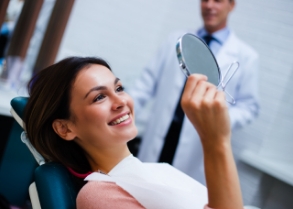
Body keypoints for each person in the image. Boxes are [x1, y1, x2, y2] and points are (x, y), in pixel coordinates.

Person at [24, 56, 243, 209]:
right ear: (65, 128)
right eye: (99, 97)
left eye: (119, 88)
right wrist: (216, 142)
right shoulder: (99, 196)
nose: (121, 101)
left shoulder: (159, 171)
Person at [128, 0, 260, 184]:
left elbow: (249, 107)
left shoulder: (246, 57)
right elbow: (145, 84)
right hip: (159, 134)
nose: (209, 6)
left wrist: (219, 119)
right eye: (205, 0)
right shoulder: (175, 39)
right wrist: (123, 113)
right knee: (143, 188)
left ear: (231, 5)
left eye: (218, 1)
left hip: (197, 143)